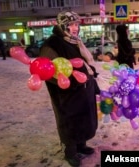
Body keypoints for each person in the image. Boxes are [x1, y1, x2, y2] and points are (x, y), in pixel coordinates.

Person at [39, 11, 100, 167]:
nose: (75, 28)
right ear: (63, 26)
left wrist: (93, 84)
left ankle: (81, 145)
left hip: (84, 90)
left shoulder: (75, 41)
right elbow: (48, 71)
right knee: (69, 123)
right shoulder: (52, 44)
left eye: (77, 24)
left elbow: (86, 65)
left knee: (84, 119)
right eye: (71, 24)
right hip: (66, 95)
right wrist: (71, 82)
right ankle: (70, 152)